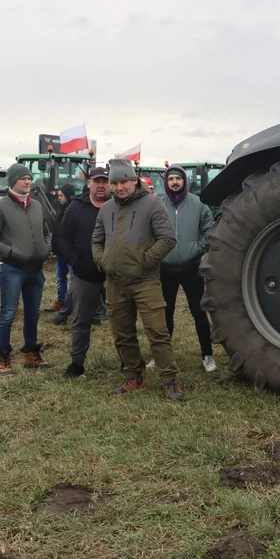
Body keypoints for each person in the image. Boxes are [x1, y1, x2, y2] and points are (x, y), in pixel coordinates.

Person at [92, 159, 183, 400]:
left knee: (157, 331)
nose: (120, 187)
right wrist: (103, 262)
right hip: (115, 282)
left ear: (134, 181)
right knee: (122, 333)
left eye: (124, 181)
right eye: (115, 183)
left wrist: (145, 261)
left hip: (145, 281)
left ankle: (170, 380)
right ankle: (134, 376)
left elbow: (168, 239)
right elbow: (96, 240)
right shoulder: (106, 208)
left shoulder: (152, 203)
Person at [0, 163, 53, 375]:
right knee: (7, 314)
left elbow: (47, 232)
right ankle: (3, 355)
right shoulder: (1, 207)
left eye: (30, 178)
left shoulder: (37, 206)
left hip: (35, 270)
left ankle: (31, 353)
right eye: (23, 178)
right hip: (12, 270)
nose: (28, 182)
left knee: (33, 314)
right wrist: (12, 252)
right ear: (13, 181)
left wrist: (46, 247)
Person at [152, 164, 217, 373]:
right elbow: (150, 232)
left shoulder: (198, 205)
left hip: (191, 268)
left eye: (178, 179)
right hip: (165, 269)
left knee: (199, 312)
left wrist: (195, 250)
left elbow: (208, 231)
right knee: (164, 314)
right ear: (166, 182)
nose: (174, 182)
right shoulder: (158, 205)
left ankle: (207, 355)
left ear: (184, 181)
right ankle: (161, 356)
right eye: (171, 179)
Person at [57, 167, 111, 379]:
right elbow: (64, 239)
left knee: (122, 321)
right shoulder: (76, 207)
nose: (101, 185)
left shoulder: (118, 206)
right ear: (88, 183)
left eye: (105, 181)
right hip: (84, 274)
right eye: (96, 181)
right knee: (80, 321)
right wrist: (75, 263)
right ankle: (77, 364)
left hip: (113, 275)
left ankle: (129, 363)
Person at [47, 184, 76, 314]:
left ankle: (75, 304)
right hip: (60, 253)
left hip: (70, 252)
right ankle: (61, 301)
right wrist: (54, 248)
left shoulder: (75, 211)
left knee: (75, 279)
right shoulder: (61, 210)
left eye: (61, 196)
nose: (58, 198)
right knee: (60, 278)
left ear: (68, 196)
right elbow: (57, 231)